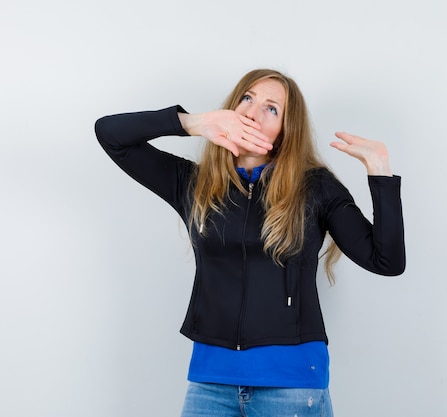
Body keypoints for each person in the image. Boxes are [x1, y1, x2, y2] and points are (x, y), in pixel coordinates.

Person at [94, 68, 405, 417]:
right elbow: (109, 134)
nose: (253, 112)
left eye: (272, 108)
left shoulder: (315, 187)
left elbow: (386, 261)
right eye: (247, 98)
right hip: (210, 383)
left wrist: (380, 171)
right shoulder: (194, 184)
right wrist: (193, 123)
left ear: (287, 130)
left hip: (291, 384)